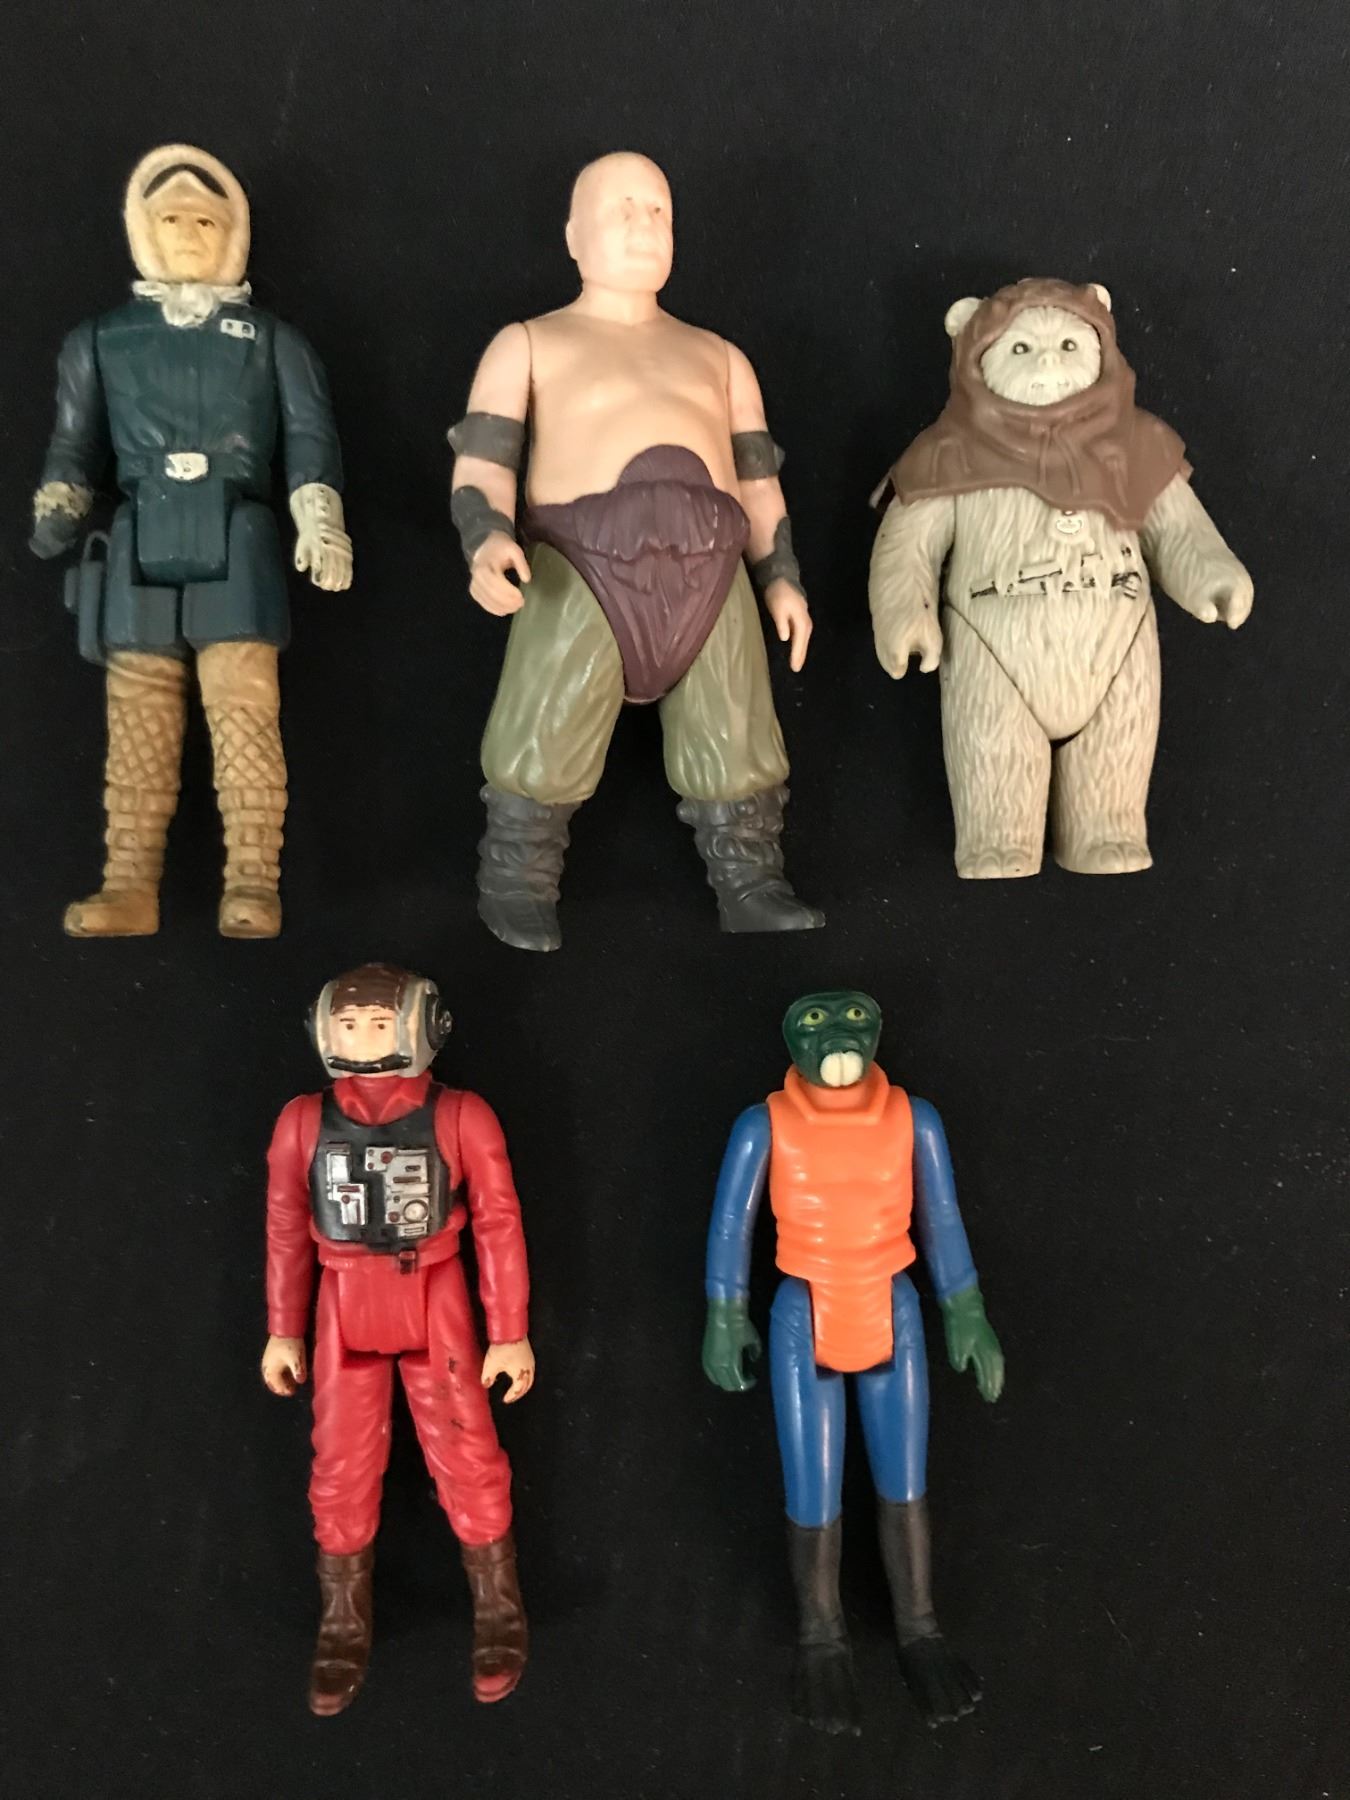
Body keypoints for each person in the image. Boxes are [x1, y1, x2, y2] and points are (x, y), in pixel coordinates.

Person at [450, 151, 822, 950]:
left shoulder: (719, 357)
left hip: (712, 567)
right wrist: (486, 540)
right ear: (573, 236)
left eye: (658, 211)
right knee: (545, 722)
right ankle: (516, 881)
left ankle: (751, 880)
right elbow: (483, 466)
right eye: (621, 208)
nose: (643, 224)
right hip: (581, 562)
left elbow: (759, 485)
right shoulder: (530, 343)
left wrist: (780, 578)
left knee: (735, 728)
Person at [30, 143, 352, 938]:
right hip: (138, 533)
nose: (188, 233)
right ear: (143, 230)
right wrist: (60, 502)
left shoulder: (272, 340)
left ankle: (254, 881)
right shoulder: (101, 340)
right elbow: (73, 442)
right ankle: (128, 883)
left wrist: (320, 519)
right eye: (171, 218)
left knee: (244, 714)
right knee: (137, 721)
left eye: (206, 221)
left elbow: (311, 438)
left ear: (232, 235)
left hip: (238, 532)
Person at [261, 964, 533, 1714]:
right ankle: (342, 1621)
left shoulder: (461, 1116)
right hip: (342, 1298)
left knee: (467, 1451)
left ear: (420, 1025)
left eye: (379, 1024)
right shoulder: (302, 1121)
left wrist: (509, 1333)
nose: (362, 1039)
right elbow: (285, 1227)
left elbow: (499, 1224)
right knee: (339, 1462)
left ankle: (499, 1609)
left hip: (434, 1294)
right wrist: (282, 1328)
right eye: (348, 1026)